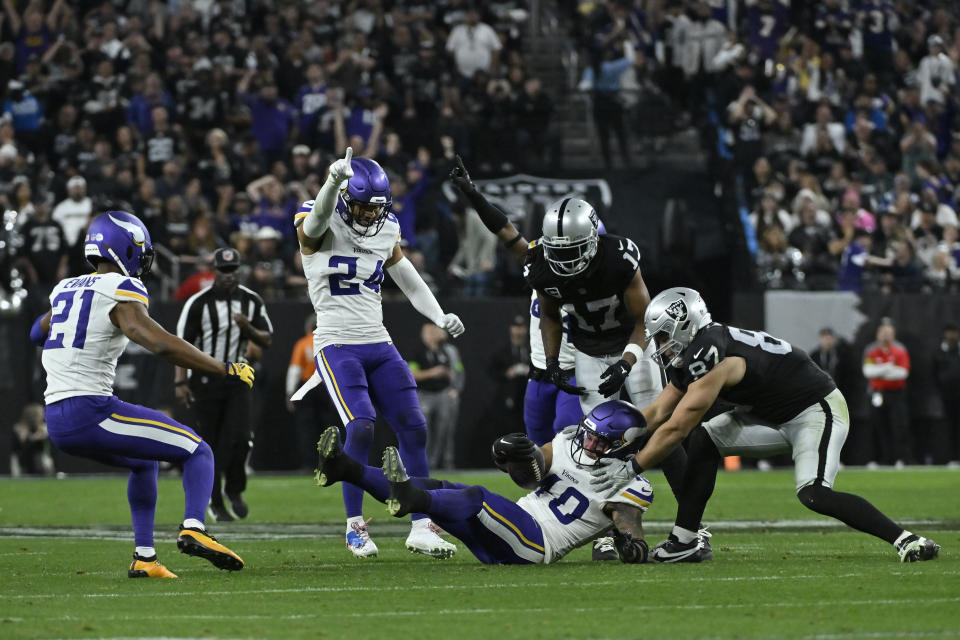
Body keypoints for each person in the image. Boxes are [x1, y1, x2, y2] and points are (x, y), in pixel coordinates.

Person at [589, 287, 940, 564]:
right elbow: (657, 413)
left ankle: (906, 539)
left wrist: (633, 465)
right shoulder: (698, 349)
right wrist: (616, 441)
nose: (660, 346)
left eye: (664, 337)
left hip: (814, 410)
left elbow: (676, 426)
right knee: (705, 440)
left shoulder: (711, 354)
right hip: (768, 413)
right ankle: (684, 541)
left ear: (685, 326)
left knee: (814, 493)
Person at [449, 156, 687, 559]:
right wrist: (557, 361)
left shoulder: (618, 258)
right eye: (558, 250)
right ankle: (610, 530)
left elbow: (644, 321)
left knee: (662, 427)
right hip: (591, 352)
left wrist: (627, 362)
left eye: (574, 249)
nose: (564, 259)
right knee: (600, 445)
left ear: (594, 240)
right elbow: (545, 306)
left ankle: (688, 528)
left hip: (632, 346)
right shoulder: (542, 265)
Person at [29, 210, 251, 578]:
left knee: (142, 460)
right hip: (91, 410)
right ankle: (195, 527)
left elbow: (36, 334)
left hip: (56, 417)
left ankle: (145, 558)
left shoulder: (64, 288)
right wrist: (222, 367)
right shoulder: (121, 287)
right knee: (198, 450)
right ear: (124, 248)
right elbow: (156, 342)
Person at [293, 147, 464, 558]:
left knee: (413, 425)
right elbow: (314, 224)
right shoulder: (319, 215)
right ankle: (354, 527)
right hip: (336, 341)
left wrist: (439, 315)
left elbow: (406, 275)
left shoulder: (386, 228)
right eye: (364, 208)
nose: (372, 216)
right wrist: (332, 182)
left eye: (377, 208)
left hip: (378, 340)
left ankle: (421, 524)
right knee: (362, 426)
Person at [314, 400, 654, 565]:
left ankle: (411, 501)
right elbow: (531, 477)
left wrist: (630, 544)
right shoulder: (567, 443)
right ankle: (344, 468)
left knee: (474, 495)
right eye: (589, 435)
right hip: (513, 532)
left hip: (538, 544)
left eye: (599, 441)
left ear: (625, 445)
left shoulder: (629, 484)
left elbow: (630, 530)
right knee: (442, 487)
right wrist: (513, 459)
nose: (588, 443)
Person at [174, 247, 274, 521]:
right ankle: (215, 502)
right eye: (223, 270)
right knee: (210, 444)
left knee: (241, 438)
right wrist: (180, 382)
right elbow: (181, 346)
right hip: (204, 380)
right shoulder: (197, 303)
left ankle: (234, 490)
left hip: (238, 377)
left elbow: (267, 339)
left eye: (233, 270)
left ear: (238, 270)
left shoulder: (251, 301)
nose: (228, 276)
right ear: (214, 271)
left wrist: (248, 329)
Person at [409, 322, 463, 471]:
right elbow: (413, 374)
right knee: (424, 429)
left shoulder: (447, 352)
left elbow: (457, 370)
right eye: (428, 332)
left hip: (443, 394)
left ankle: (439, 462)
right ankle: (423, 462)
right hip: (424, 395)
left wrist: (454, 387)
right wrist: (434, 372)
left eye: (433, 331)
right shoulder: (418, 352)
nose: (431, 335)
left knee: (444, 429)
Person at [287, 316, 338, 472]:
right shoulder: (331, 343)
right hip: (326, 386)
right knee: (329, 427)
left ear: (308, 328)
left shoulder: (303, 343)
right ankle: (331, 463)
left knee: (306, 427)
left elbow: (295, 370)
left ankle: (309, 465)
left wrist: (290, 392)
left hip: (308, 386)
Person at [862, 318, 911, 467]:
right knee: (877, 426)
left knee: (898, 426)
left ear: (894, 334)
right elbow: (868, 372)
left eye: (888, 332)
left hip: (896, 393)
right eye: (883, 332)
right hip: (877, 393)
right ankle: (878, 459)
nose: (885, 336)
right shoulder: (871, 350)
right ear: (878, 334)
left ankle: (900, 459)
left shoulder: (900, 350)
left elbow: (902, 373)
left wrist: (880, 371)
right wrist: (888, 367)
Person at [933, 323, 960, 465]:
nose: (952, 336)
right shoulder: (938, 352)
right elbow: (934, 375)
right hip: (946, 397)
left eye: (954, 332)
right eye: (949, 332)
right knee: (949, 428)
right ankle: (952, 458)